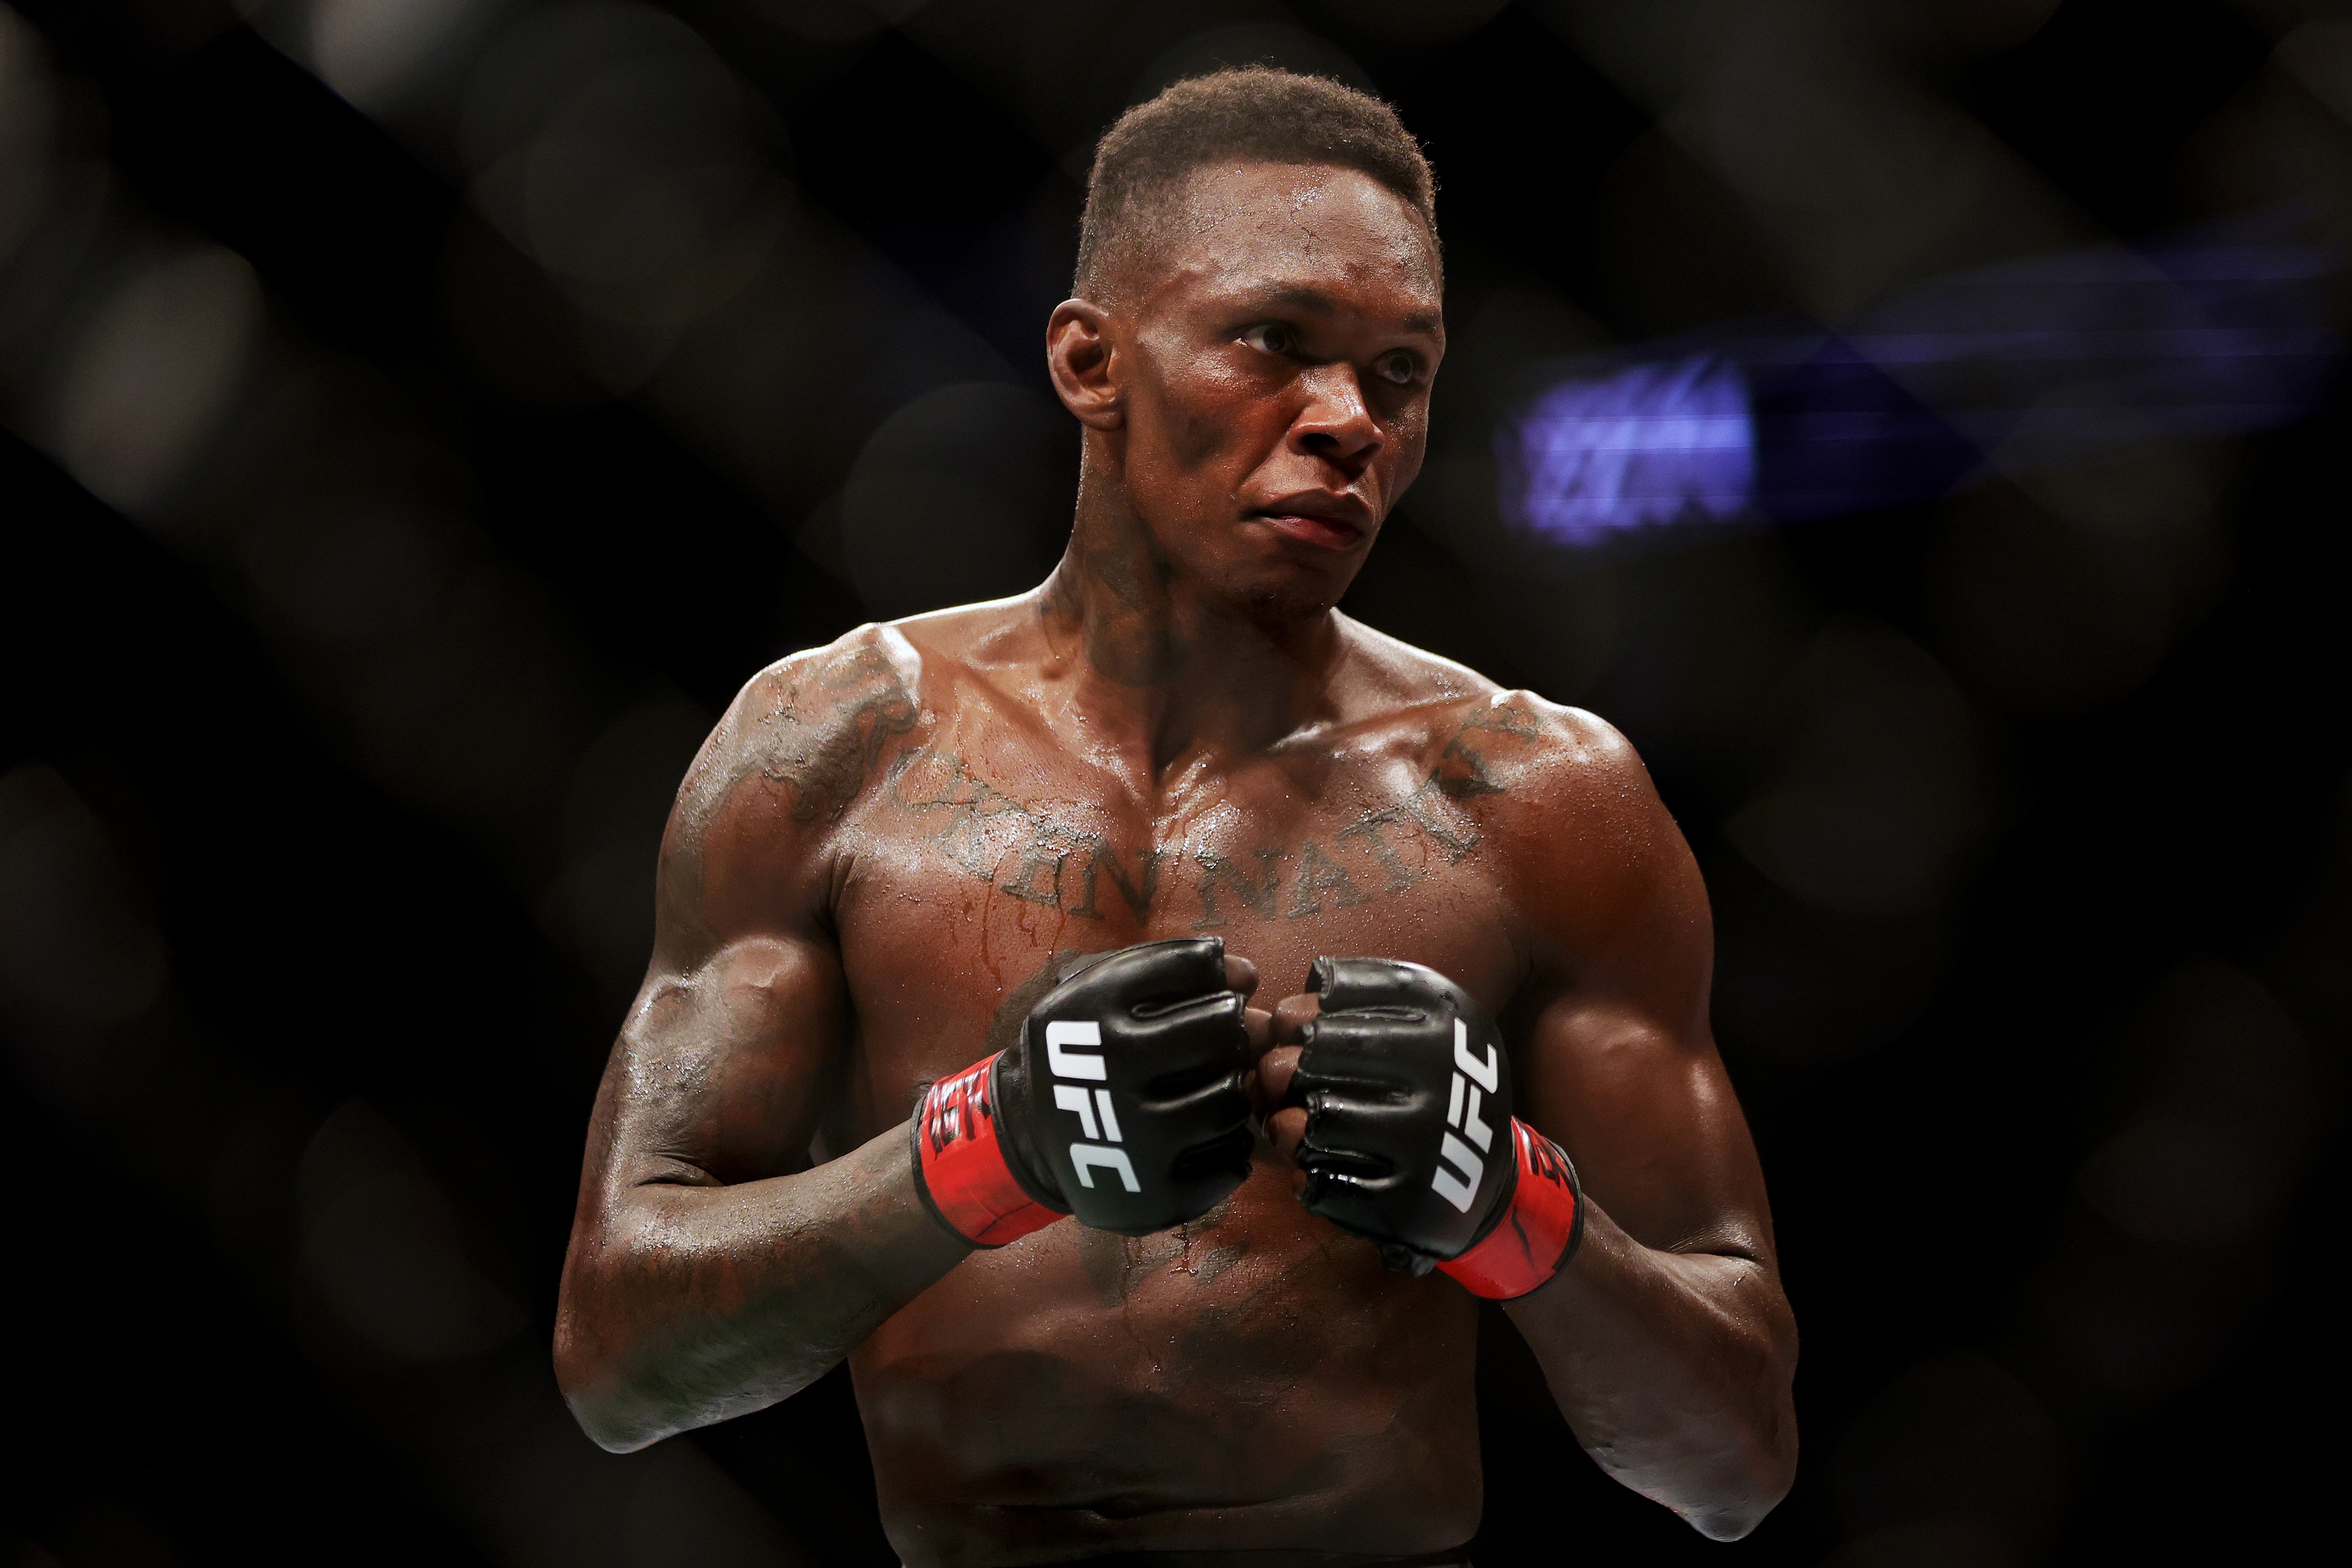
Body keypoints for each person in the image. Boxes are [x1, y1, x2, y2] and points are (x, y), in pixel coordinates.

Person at [554, 67, 1797, 1567]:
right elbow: (621, 1360)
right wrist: (991, 1146)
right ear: (1092, 361)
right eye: (1278, 342)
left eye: (1400, 373)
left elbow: (1734, 1461)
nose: (1347, 421)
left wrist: (1510, 1206)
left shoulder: (1539, 800)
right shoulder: (835, 745)